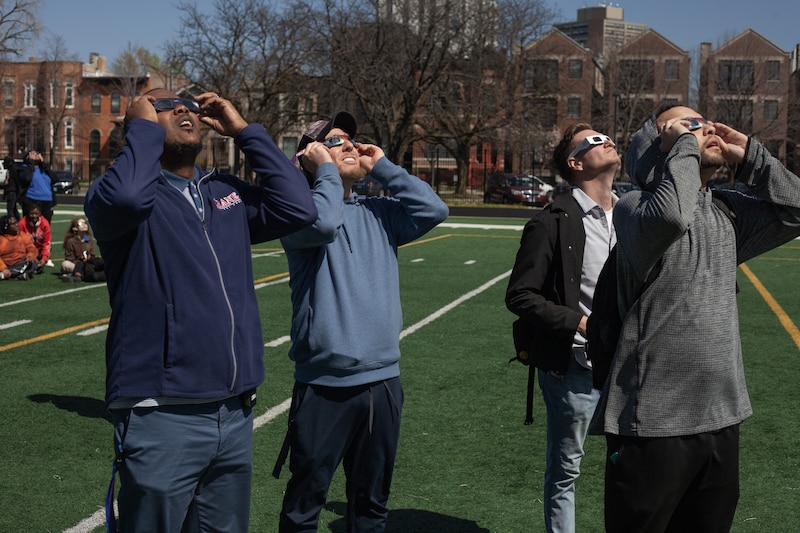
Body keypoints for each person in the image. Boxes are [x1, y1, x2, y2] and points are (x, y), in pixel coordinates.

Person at [84, 89, 317, 532]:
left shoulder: (223, 192)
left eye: (189, 104)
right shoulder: (119, 193)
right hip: (160, 414)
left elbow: (298, 207)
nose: (183, 108)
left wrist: (245, 131)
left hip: (232, 413)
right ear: (141, 122)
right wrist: (142, 130)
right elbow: (131, 198)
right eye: (164, 104)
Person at [592, 104, 800, 532]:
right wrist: (683, 146)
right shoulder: (634, 207)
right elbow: (671, 215)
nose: (703, 128)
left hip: (722, 417)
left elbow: (796, 210)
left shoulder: (725, 210)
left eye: (703, 123)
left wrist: (752, 158)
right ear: (657, 147)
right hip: (652, 424)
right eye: (687, 124)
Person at [274, 111, 448, 532]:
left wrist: (384, 166)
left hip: (382, 384)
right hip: (324, 388)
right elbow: (327, 221)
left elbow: (434, 209)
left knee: (371, 508)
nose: (350, 145)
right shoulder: (299, 216)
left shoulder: (380, 212)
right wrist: (328, 175)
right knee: (304, 507)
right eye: (335, 142)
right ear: (310, 158)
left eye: (352, 139)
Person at [505, 124, 620, 533]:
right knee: (566, 471)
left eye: (606, 135)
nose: (606, 140)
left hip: (629, 369)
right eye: (593, 140)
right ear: (575, 163)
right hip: (576, 368)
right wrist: (582, 323)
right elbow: (520, 295)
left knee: (631, 470)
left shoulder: (634, 214)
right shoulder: (552, 220)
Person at [60, 216, 104, 282]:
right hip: (76, 263)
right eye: (81, 223)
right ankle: (79, 273)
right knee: (65, 264)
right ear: (75, 228)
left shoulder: (89, 239)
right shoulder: (71, 241)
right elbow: (69, 258)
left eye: (85, 223)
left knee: (98, 262)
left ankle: (77, 275)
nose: (84, 225)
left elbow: (92, 254)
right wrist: (80, 260)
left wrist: (88, 258)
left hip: (88, 263)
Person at [19, 150, 55, 221]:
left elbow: (55, 178)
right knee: (31, 223)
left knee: (45, 223)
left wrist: (44, 164)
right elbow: (27, 178)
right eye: (32, 154)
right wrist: (31, 163)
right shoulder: (24, 168)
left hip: (47, 200)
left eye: (37, 154)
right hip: (32, 199)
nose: (35, 155)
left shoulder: (44, 169)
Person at [0, 215, 37, 280]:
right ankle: (18, 275)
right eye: (13, 224)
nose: (17, 225)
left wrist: (30, 256)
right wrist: (3, 268)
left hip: (20, 262)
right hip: (5, 264)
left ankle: (10, 275)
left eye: (16, 222)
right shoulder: (1, 239)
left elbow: (31, 247)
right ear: (6, 227)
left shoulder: (22, 235)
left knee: (34, 263)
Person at [18, 206, 53, 273]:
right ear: (28, 213)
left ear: (40, 213)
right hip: (27, 251)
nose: (34, 216)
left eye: (36, 213)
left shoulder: (44, 223)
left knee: (49, 246)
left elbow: (47, 243)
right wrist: (31, 255)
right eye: (32, 214)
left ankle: (44, 260)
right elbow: (20, 243)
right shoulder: (22, 223)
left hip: (39, 250)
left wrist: (44, 258)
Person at [4, 155, 22, 219]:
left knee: (10, 209)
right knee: (13, 209)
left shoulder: (14, 169)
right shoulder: (9, 170)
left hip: (12, 191)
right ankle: (17, 220)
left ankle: (11, 222)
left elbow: (17, 180)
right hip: (9, 191)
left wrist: (19, 191)